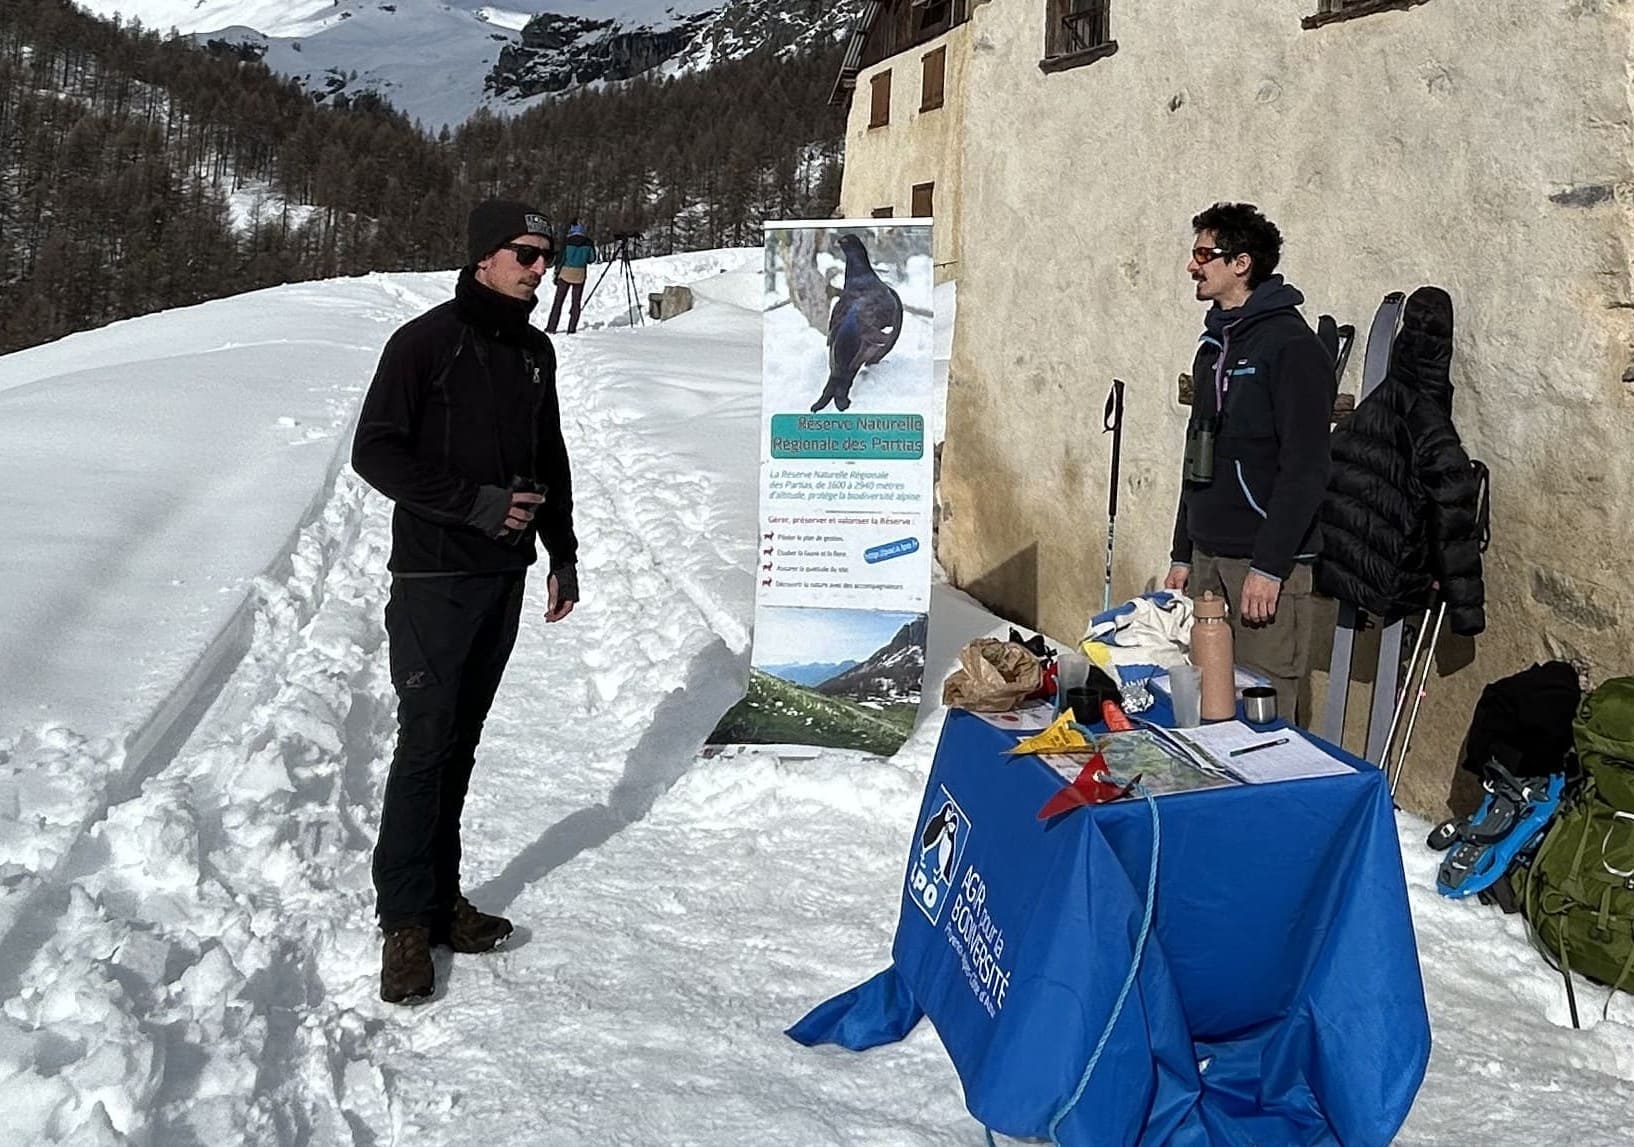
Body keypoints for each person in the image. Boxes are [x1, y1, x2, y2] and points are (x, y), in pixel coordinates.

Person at [352, 199, 579, 1004]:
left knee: (462, 742)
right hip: (434, 579)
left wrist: (563, 550)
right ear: (484, 256)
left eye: (547, 254)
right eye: (525, 253)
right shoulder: (424, 343)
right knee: (426, 744)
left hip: (503, 576)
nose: (539, 267)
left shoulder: (535, 353)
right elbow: (374, 449)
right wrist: (473, 504)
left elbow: (547, 451)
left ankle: (441, 900)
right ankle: (404, 923)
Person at [1165, 202, 1334, 724]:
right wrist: (1182, 551)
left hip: (1263, 567)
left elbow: (1306, 466)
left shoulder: (1290, 346)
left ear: (1241, 263)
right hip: (1211, 559)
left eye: (1202, 254)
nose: (1192, 266)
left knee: (1266, 715)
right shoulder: (1214, 345)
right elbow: (1199, 451)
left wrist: (1270, 565)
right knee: (1210, 710)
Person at [546, 221, 596, 334]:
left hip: (565, 273)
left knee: (558, 302)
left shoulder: (567, 242)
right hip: (580, 275)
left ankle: (551, 327)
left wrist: (557, 272)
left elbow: (561, 259)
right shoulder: (588, 243)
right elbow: (592, 259)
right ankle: (572, 328)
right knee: (576, 302)